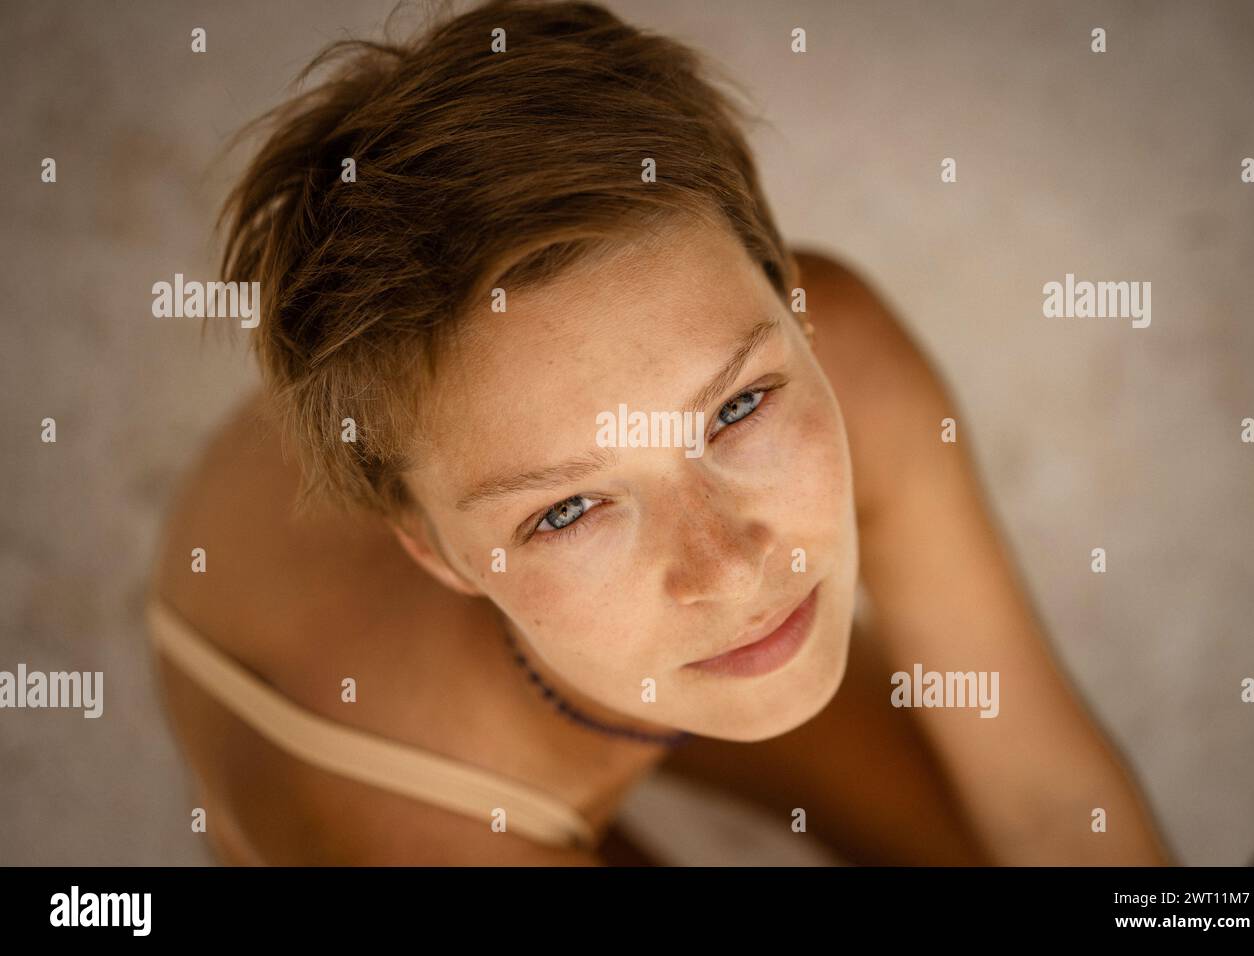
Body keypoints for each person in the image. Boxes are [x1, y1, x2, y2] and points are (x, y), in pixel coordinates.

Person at [147, 0, 1176, 866]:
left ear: (786, 294)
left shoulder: (842, 349)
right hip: (387, 751)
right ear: (435, 551)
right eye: (567, 510)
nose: (727, 568)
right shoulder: (405, 829)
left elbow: (1049, 802)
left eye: (734, 408)